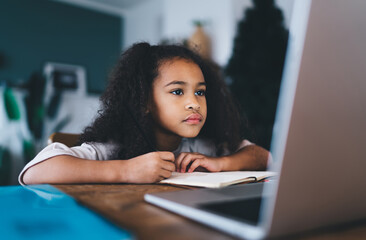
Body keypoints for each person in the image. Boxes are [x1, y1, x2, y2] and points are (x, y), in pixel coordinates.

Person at [19, 42, 270, 185]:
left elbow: (261, 156)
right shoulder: (114, 148)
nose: (194, 103)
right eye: (177, 92)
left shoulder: (201, 146)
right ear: (145, 102)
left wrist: (221, 164)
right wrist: (125, 171)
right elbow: (34, 172)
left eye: (200, 92)